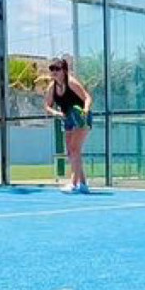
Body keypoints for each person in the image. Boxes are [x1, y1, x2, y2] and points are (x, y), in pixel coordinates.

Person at [44, 57, 93, 193]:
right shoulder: (52, 87)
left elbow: (87, 97)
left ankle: (73, 183)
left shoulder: (71, 82)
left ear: (64, 71)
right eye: (51, 69)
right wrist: (57, 113)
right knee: (71, 152)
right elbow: (47, 106)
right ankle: (83, 184)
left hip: (81, 117)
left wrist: (85, 110)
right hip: (67, 118)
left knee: (74, 148)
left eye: (57, 69)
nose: (54, 72)